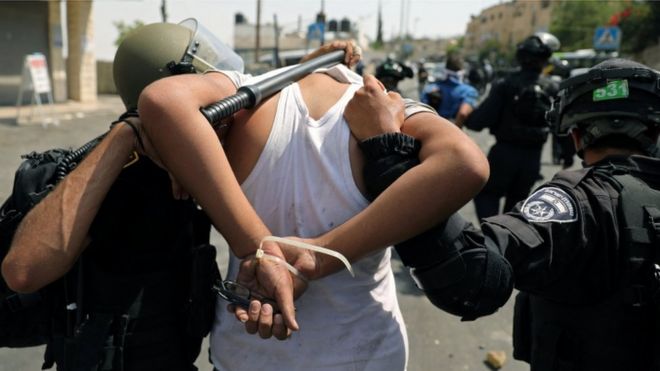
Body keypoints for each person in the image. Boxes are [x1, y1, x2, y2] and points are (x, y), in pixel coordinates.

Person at [3, 19, 489, 371]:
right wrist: (300, 254)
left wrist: (267, 251)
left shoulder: (220, 137)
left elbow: (204, 110)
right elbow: (465, 163)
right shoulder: (382, 111)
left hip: (243, 352)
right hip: (361, 353)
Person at [362, 58, 660, 370]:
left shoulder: (580, 202)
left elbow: (471, 280)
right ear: (654, 133)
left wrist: (388, 152)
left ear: (576, 136)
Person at [464, 32, 560, 220]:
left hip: (503, 154)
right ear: (545, 59)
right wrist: (565, 153)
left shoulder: (505, 84)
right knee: (517, 205)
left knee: (487, 195)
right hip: (533, 159)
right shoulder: (553, 88)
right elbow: (561, 126)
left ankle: (491, 240)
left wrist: (467, 117)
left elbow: (479, 121)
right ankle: (505, 242)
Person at [420, 52, 478, 127]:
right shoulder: (469, 91)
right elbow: (463, 113)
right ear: (462, 70)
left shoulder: (430, 88)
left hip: (430, 128)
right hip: (452, 129)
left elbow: (422, 109)